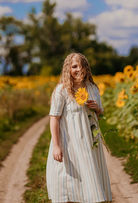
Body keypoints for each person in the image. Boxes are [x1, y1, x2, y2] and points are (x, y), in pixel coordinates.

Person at [46, 52, 113, 203]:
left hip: (89, 140)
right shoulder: (62, 90)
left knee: (90, 174)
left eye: (82, 66)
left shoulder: (92, 88)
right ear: (68, 69)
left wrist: (97, 108)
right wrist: (56, 146)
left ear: (87, 68)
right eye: (74, 66)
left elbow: (100, 114)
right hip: (70, 142)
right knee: (70, 176)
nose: (79, 69)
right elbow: (54, 118)